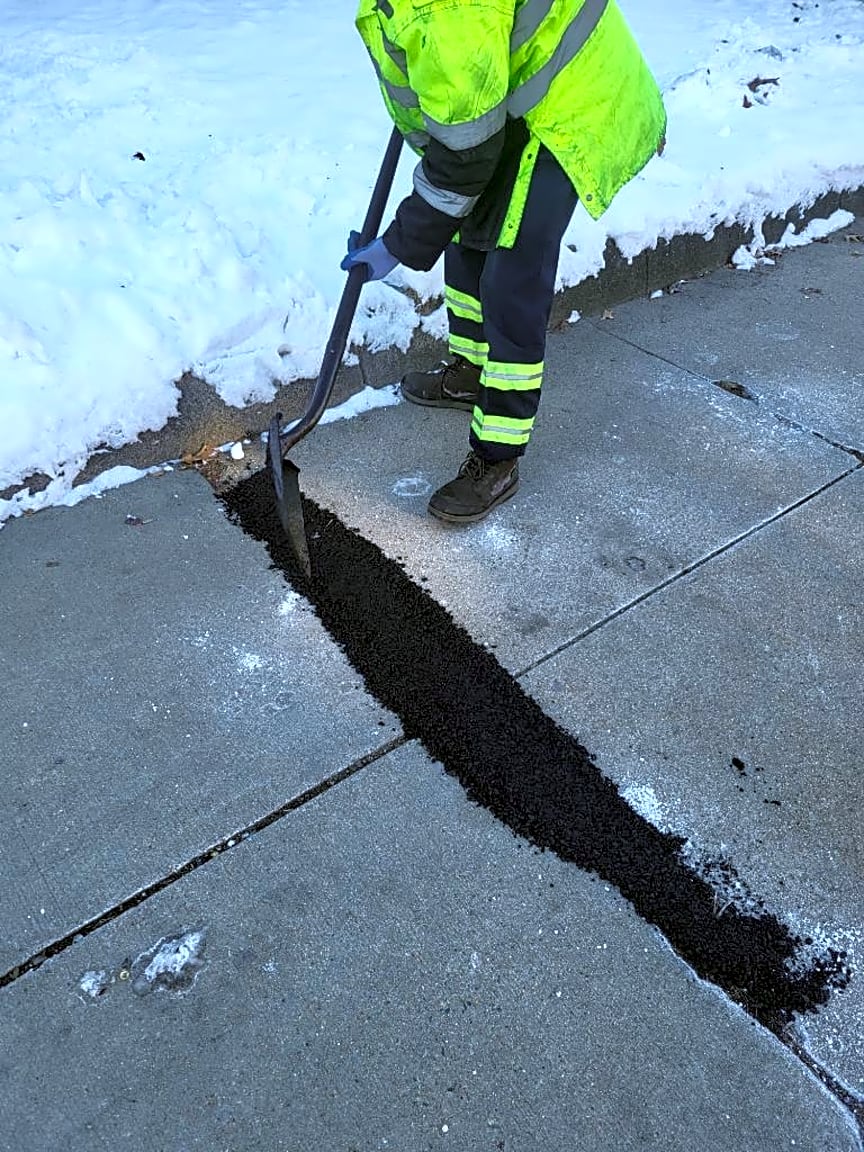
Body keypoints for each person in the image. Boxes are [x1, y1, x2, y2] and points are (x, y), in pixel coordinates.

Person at [342, 0, 666, 524]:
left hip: (573, 103)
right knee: (467, 234)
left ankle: (497, 457)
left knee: (511, 277)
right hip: (511, 96)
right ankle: (472, 373)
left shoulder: (446, 9)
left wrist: (398, 243)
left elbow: (463, 160)